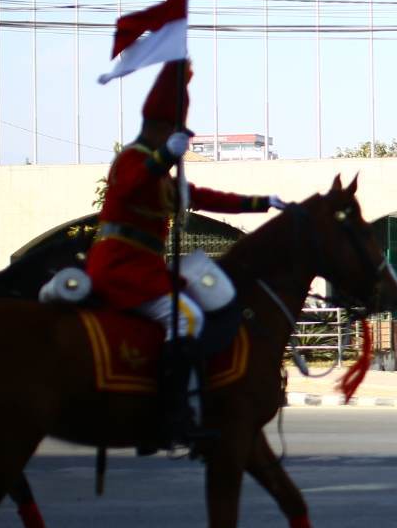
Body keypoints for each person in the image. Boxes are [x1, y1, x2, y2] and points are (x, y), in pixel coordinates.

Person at [86, 59, 281, 443]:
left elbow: (206, 197)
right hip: (119, 266)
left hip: (143, 268)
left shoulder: (163, 176)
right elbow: (128, 188)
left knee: (197, 308)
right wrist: (160, 158)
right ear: (160, 130)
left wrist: (261, 202)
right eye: (178, 135)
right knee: (186, 318)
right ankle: (173, 409)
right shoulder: (133, 159)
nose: (183, 143)